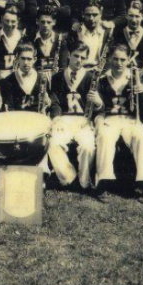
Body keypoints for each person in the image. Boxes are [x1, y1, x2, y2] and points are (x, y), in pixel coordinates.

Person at [92, 44, 143, 202]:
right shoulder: (102, 80)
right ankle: (103, 182)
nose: (119, 63)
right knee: (104, 136)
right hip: (110, 119)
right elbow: (98, 108)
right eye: (115, 59)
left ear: (128, 60)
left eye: (122, 60)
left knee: (141, 136)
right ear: (110, 59)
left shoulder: (135, 78)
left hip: (130, 119)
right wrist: (99, 120)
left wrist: (142, 91)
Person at [47, 45, 96, 189]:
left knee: (87, 146)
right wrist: (56, 118)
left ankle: (84, 181)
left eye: (82, 57)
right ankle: (70, 178)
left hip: (83, 119)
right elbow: (54, 101)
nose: (79, 60)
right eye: (76, 56)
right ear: (69, 55)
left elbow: (93, 104)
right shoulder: (57, 77)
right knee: (53, 143)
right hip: (64, 118)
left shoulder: (90, 78)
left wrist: (89, 119)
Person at [0, 43, 50, 113]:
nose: (26, 62)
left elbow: (51, 103)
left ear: (34, 59)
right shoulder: (8, 81)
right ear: (17, 59)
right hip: (17, 120)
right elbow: (9, 108)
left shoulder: (42, 79)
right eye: (23, 58)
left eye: (29, 59)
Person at [112, 0, 143, 70]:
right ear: (126, 16)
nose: (133, 20)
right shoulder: (118, 34)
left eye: (137, 16)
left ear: (142, 17)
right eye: (131, 16)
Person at [67, 1, 112, 70]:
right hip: (78, 71)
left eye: (95, 15)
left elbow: (109, 58)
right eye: (88, 15)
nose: (91, 18)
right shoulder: (75, 32)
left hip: (99, 72)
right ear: (83, 14)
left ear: (101, 14)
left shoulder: (107, 33)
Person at [33, 5, 68, 81]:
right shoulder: (32, 40)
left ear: (54, 22)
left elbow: (63, 66)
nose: (45, 25)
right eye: (42, 22)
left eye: (49, 22)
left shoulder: (61, 40)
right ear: (37, 21)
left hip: (56, 79)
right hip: (36, 79)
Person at [0, 5, 25, 80]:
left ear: (18, 21)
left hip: (19, 78)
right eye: (7, 20)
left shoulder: (24, 39)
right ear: (2, 19)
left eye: (13, 21)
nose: (9, 24)